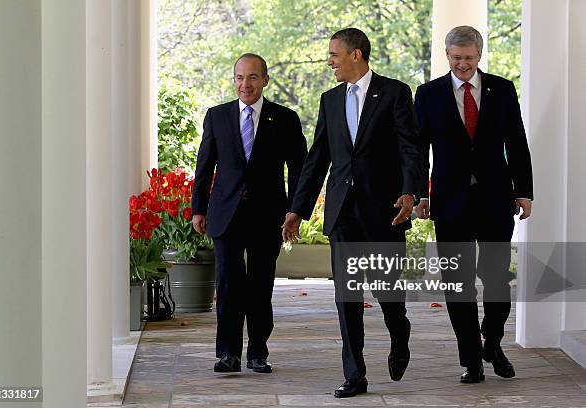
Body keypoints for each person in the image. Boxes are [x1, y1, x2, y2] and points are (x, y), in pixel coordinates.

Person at [282, 28, 421, 398]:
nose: (330, 61)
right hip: (343, 212)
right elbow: (318, 158)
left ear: (356, 54)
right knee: (347, 296)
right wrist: (298, 209)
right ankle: (354, 374)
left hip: (385, 210)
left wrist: (410, 192)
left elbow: (411, 148)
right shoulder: (329, 100)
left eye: (334, 54)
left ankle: (399, 330)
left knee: (388, 293)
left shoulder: (394, 92)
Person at [414, 25, 533, 384]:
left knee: (497, 277)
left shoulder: (502, 89)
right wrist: (421, 194)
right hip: (450, 202)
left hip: (496, 199)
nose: (463, 64)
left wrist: (524, 191)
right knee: (457, 282)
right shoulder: (429, 94)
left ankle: (492, 343)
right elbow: (418, 150)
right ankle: (472, 361)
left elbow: (517, 141)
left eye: (468, 57)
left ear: (479, 55)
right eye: (456, 58)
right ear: (447, 56)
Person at [191, 53, 307, 374]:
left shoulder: (284, 118)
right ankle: (227, 353)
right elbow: (204, 167)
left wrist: (295, 211)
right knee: (228, 284)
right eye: (240, 78)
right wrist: (198, 208)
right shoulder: (217, 116)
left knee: (259, 286)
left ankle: (257, 352)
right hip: (225, 215)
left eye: (253, 77)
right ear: (234, 81)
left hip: (268, 216)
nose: (246, 84)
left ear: (265, 80)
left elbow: (299, 169)